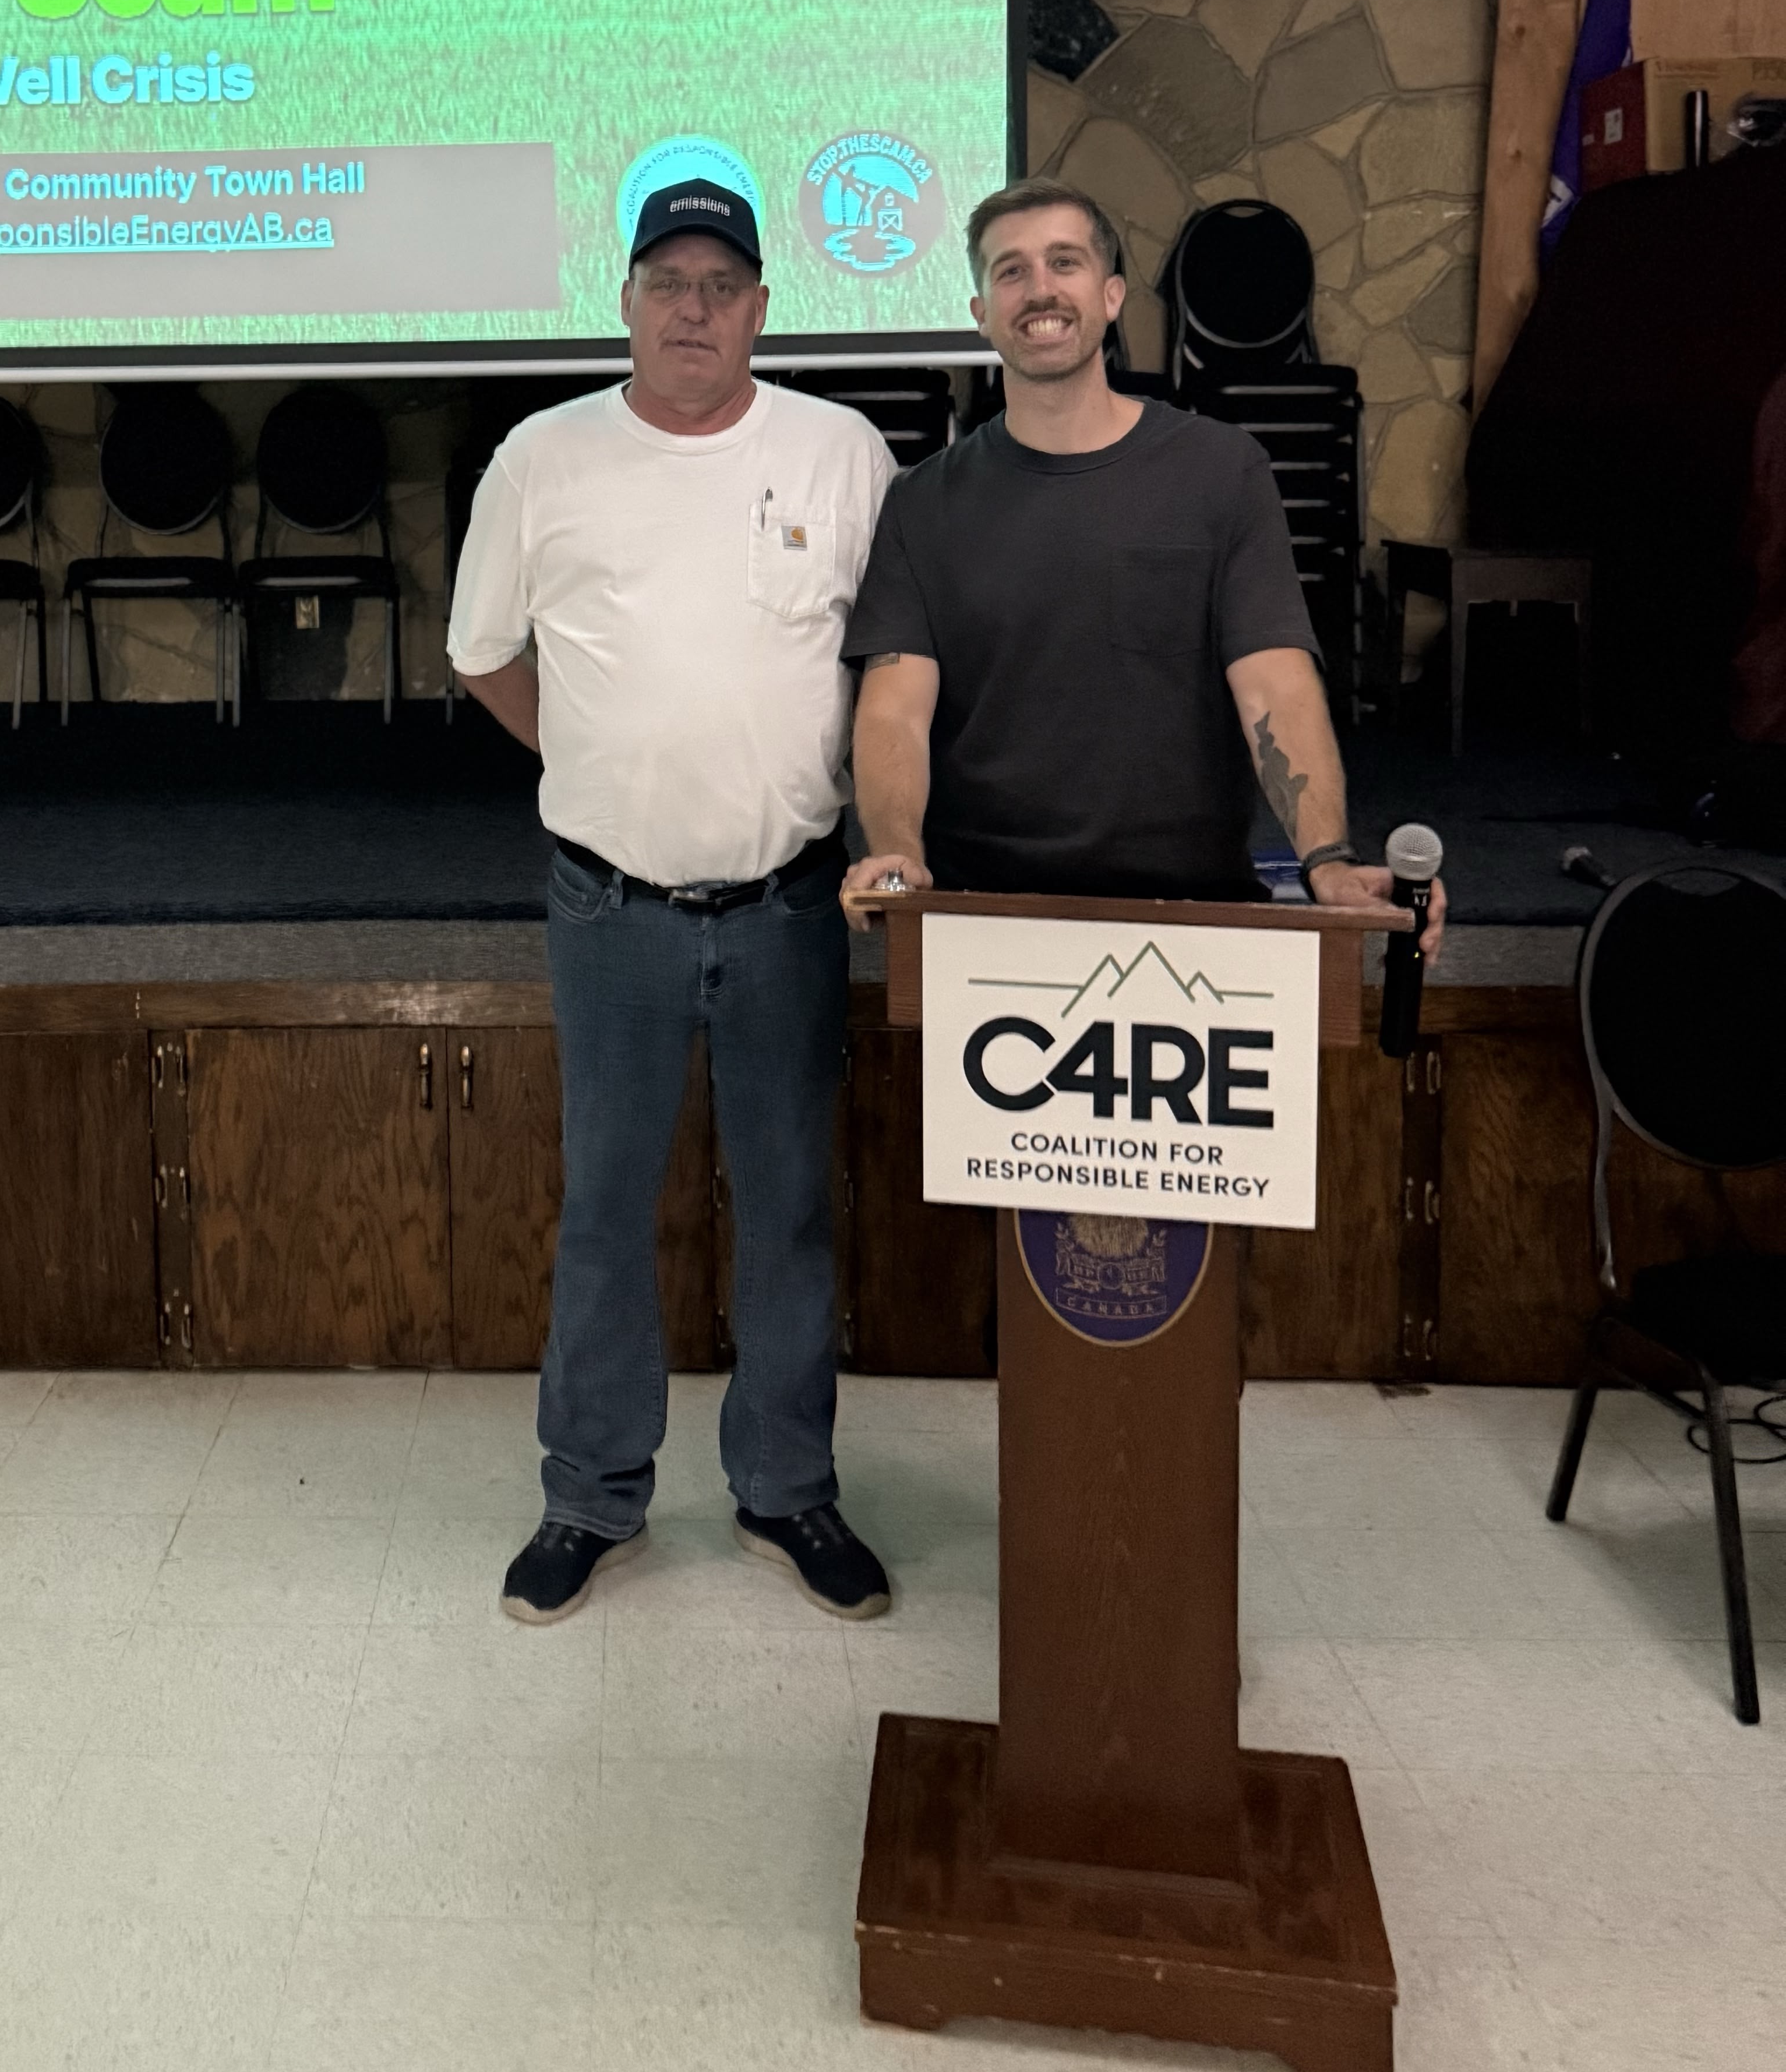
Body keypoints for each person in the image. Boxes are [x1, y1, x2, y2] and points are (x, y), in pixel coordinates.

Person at [449, 178, 899, 1626]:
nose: (694, 308)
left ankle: (784, 1490)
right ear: (624, 303)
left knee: (787, 1214)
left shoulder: (843, 454)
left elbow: (891, 670)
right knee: (603, 1210)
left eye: (723, 284)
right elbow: (485, 656)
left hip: (788, 910)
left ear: (762, 308)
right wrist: (595, 763)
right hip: (610, 911)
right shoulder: (542, 458)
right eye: (669, 282)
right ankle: (590, 1494)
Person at [840, 177, 1447, 948]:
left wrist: (1325, 859)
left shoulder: (1221, 473)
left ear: (1113, 294)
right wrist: (897, 854)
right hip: (981, 921)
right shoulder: (922, 504)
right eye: (1010, 271)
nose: (1040, 290)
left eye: (1065, 262)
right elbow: (895, 709)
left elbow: (1273, 682)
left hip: (1194, 913)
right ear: (980, 316)